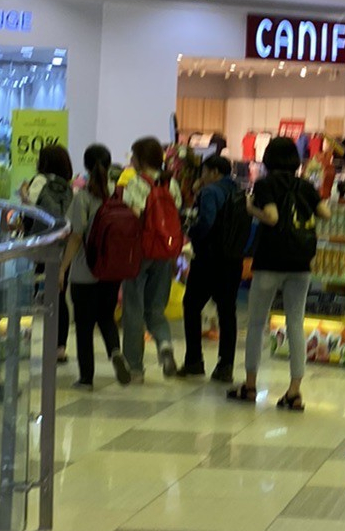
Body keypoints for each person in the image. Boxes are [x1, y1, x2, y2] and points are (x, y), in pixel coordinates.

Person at [231, 134, 327, 409]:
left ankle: (250, 385)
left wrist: (252, 209)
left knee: (257, 323)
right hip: (300, 262)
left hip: (270, 261)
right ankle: (294, 390)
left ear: (268, 159)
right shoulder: (305, 186)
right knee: (295, 323)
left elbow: (271, 217)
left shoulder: (265, 185)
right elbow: (325, 213)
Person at [59, 144, 131, 388]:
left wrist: (63, 268)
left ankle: (86, 377)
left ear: (86, 166)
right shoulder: (119, 195)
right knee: (106, 317)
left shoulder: (83, 197)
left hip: (85, 271)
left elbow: (76, 236)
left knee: (84, 326)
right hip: (112, 270)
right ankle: (115, 351)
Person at [181, 154, 246, 384]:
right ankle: (225, 366)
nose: (202, 177)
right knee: (227, 311)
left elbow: (206, 222)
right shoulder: (239, 192)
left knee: (191, 305)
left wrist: (191, 233)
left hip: (209, 259)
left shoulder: (210, 192)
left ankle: (194, 361)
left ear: (214, 172)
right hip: (233, 259)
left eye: (204, 172)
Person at [120, 135, 181, 379]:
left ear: (140, 159)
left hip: (140, 252)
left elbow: (134, 214)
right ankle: (164, 344)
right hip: (165, 251)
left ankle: (135, 367)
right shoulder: (171, 184)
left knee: (133, 308)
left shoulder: (135, 184)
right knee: (156, 308)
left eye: (133, 156)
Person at [25, 142, 74, 363]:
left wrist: (23, 194)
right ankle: (60, 346)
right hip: (63, 247)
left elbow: (31, 208)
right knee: (60, 296)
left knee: (41, 294)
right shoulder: (68, 187)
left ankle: (35, 338)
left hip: (42, 245)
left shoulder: (39, 181)